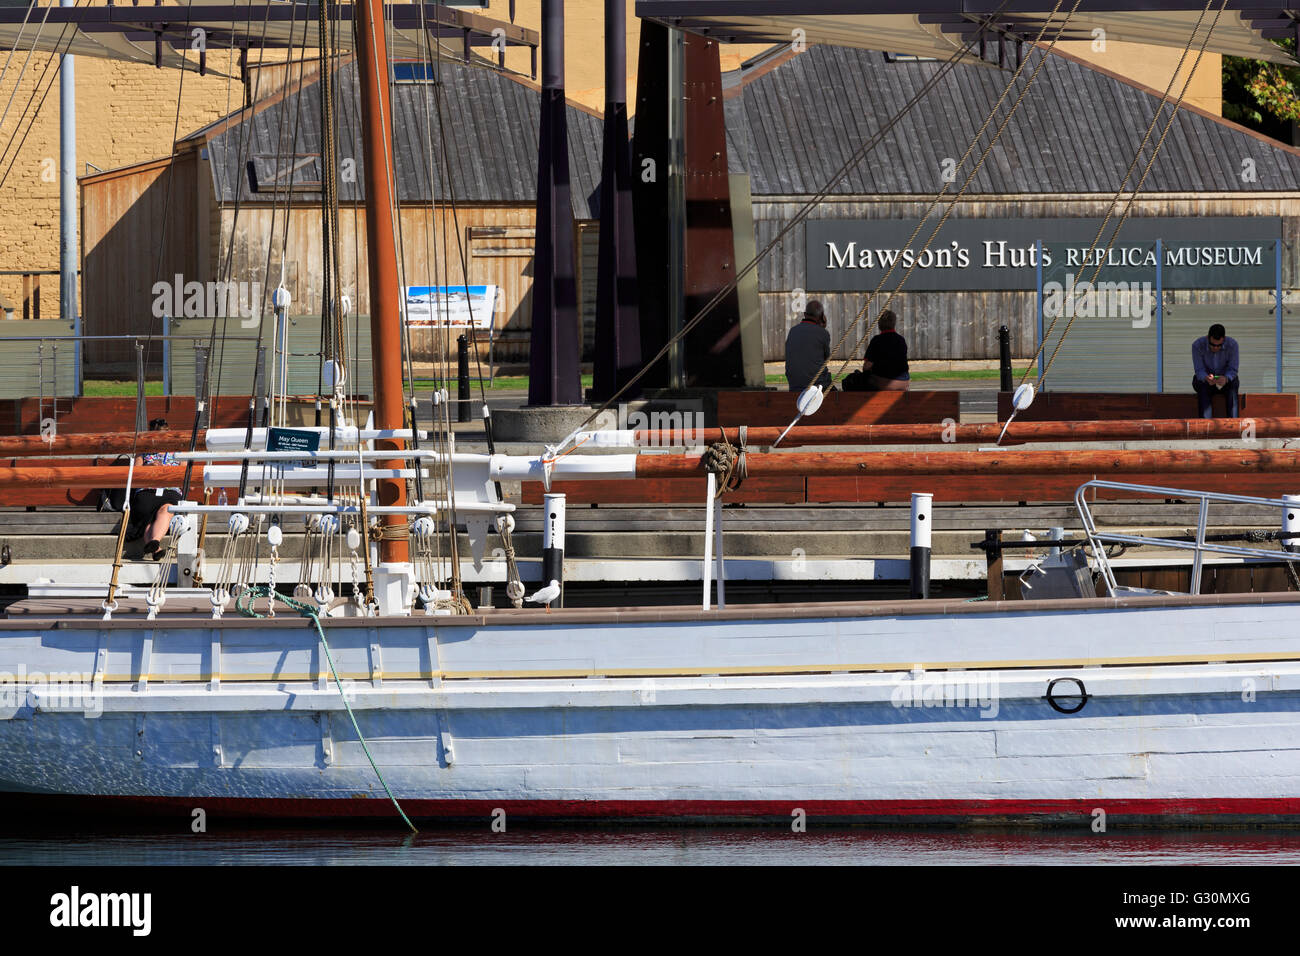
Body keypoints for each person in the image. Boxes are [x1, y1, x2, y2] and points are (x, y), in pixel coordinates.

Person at [135, 418, 183, 559]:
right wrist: (149, 468)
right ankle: (156, 547)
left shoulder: (178, 453)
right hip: (147, 491)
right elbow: (135, 476)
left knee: (167, 508)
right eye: (158, 436)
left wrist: (168, 472)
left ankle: (154, 543)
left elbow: (188, 481)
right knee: (148, 516)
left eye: (164, 435)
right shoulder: (143, 452)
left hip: (170, 491)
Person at [1192, 323, 1239, 419]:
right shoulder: (1197, 345)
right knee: (1201, 385)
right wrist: (1206, 377)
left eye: (1219, 345)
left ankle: (1234, 423)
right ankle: (1205, 424)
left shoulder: (1232, 345)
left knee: (1233, 385)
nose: (1216, 348)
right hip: (1207, 380)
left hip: (1225, 379)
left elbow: (1233, 369)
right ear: (1207, 338)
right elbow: (1199, 370)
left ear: (1224, 339)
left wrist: (1226, 378)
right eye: (1212, 345)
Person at [785, 300, 832, 391]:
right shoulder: (823, 333)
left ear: (805, 314)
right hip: (817, 384)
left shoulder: (793, 331)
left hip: (794, 384)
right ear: (822, 316)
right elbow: (826, 359)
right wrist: (822, 328)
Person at [861, 309, 910, 391]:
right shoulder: (901, 340)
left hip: (885, 383)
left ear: (879, 324)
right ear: (894, 324)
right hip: (904, 382)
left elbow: (867, 366)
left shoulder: (877, 340)